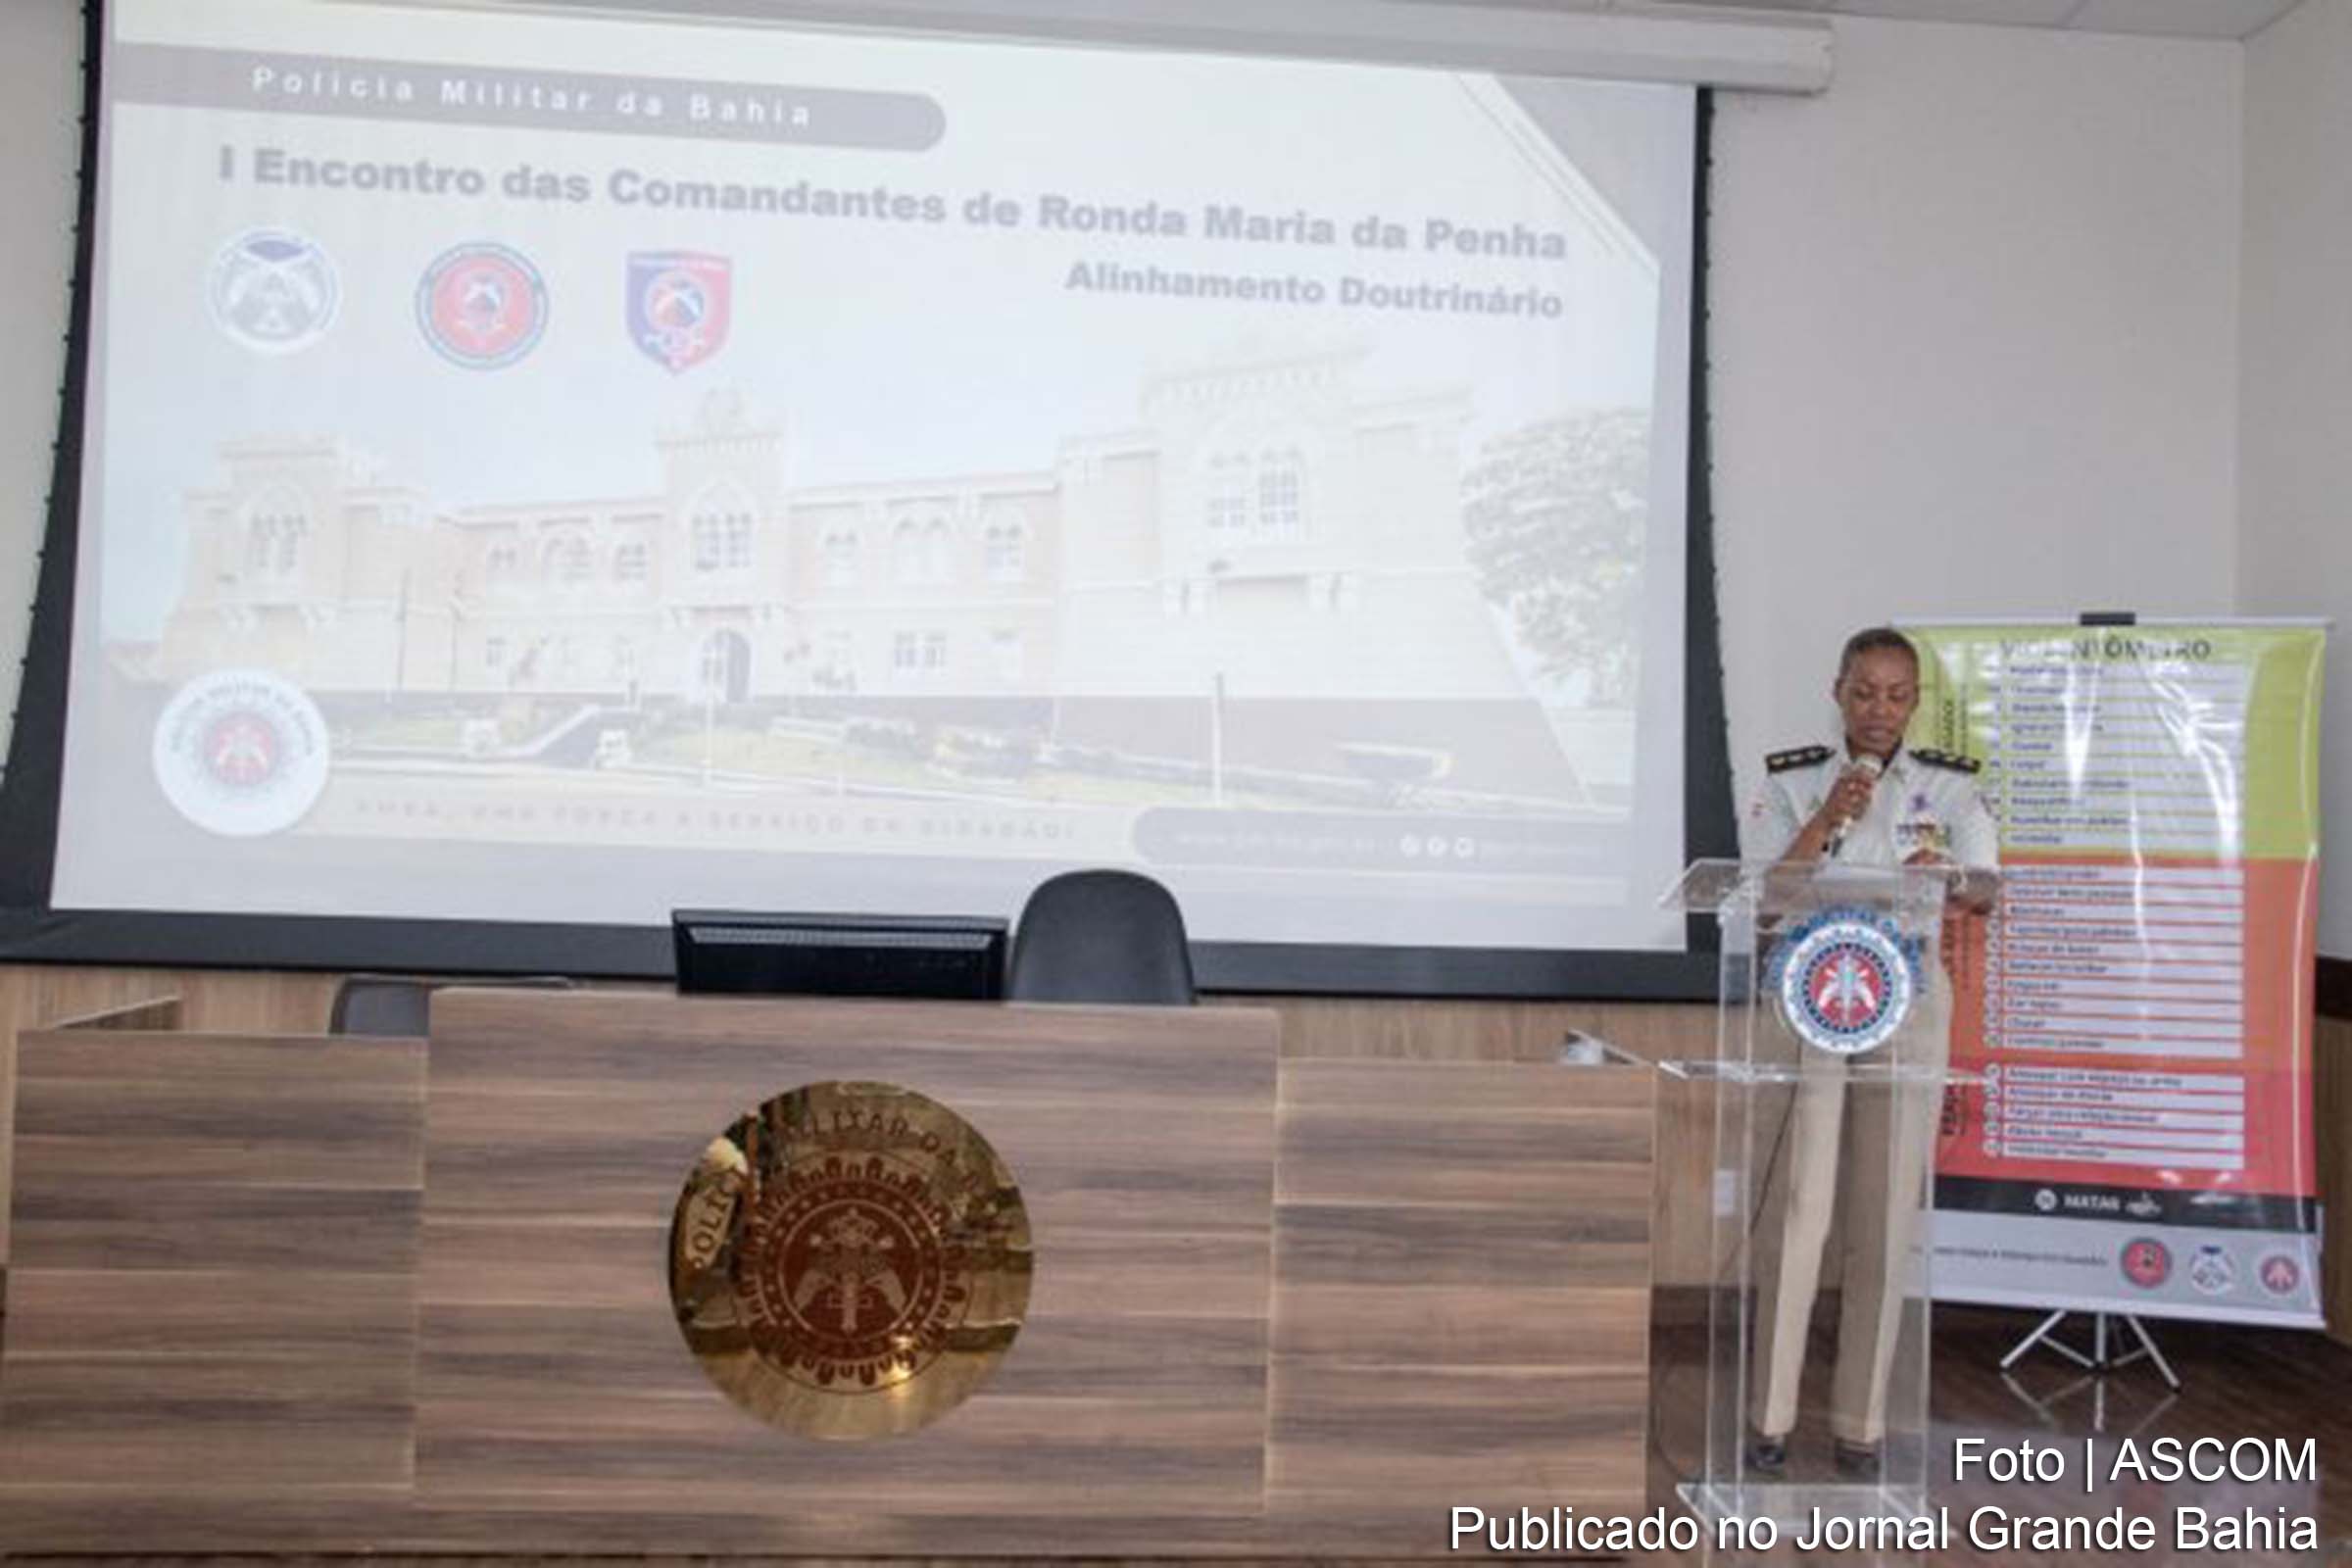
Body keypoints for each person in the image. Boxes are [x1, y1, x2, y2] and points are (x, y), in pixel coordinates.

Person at [1743, 626, 1998, 1478]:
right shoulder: (1794, 779)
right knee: (1802, 1206)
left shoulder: (1950, 789)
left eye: (1896, 694)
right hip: (1809, 990)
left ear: (1915, 700)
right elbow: (1767, 894)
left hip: (1909, 995)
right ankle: (1771, 1417)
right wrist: (1828, 817)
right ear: (1838, 690)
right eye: (1863, 692)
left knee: (1885, 1215)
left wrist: (1950, 876)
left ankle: (1860, 1423)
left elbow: (1986, 890)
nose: (1879, 710)